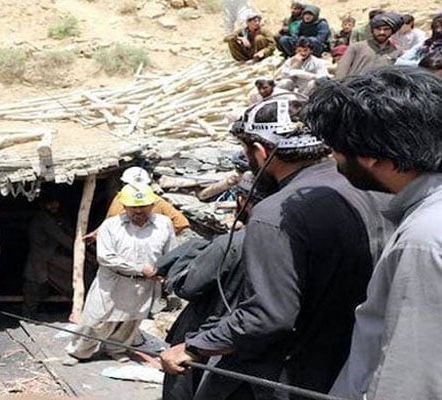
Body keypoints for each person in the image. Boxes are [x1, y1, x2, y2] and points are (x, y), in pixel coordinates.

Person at [159, 95, 391, 399]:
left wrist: (192, 348)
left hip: (284, 378)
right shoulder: (367, 188)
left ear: (261, 150)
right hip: (350, 368)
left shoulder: (277, 213)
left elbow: (268, 316)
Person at [303, 66, 442, 400]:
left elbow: (411, 380)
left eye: (336, 149)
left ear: (371, 158)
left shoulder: (423, 241)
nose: (333, 159)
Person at [158, 172, 275, 400]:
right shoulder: (291, 238)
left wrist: (191, 253)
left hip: (209, 336)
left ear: (242, 200)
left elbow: (187, 286)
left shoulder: (231, 243)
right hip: (258, 343)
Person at [65, 184, 175, 365]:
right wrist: (140, 268)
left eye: (143, 206)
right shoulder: (111, 226)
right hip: (113, 282)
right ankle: (79, 352)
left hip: (144, 285)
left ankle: (116, 349)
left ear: (152, 205)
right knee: (96, 321)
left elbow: (170, 252)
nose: (138, 211)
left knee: (130, 322)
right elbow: (106, 257)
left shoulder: (164, 224)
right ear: (124, 207)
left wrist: (165, 272)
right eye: (133, 207)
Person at [23, 195, 74, 317]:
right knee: (34, 284)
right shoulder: (43, 219)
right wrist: (79, 247)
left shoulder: (54, 218)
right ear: (42, 205)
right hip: (40, 258)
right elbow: (62, 238)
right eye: (49, 204)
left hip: (46, 257)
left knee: (39, 284)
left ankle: (34, 312)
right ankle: (29, 314)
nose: (53, 206)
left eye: (55, 203)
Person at [105, 166, 190, 235]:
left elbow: (181, 223)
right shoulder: (119, 198)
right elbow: (109, 220)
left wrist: (160, 238)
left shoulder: (156, 201)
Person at [335, 12, 403, 79]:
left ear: (392, 31)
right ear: (372, 30)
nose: (382, 32)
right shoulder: (356, 47)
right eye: (378, 29)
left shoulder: (397, 51)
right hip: (354, 87)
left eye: (386, 29)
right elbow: (341, 71)